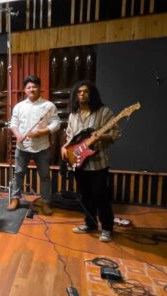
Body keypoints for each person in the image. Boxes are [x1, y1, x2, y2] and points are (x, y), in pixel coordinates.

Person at [60, 80, 120, 242]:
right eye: (79, 92)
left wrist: (100, 136)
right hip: (79, 162)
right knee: (85, 196)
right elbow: (70, 135)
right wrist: (65, 147)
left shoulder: (104, 112)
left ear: (92, 94)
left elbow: (115, 133)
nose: (82, 94)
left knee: (101, 196)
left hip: (98, 163)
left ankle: (107, 228)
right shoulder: (73, 114)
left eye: (86, 91)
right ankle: (90, 224)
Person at [7, 75, 60, 214]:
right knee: (18, 173)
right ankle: (15, 198)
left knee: (44, 176)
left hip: (42, 146)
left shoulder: (48, 106)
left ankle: (45, 202)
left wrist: (41, 132)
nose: (32, 89)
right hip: (22, 147)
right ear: (25, 90)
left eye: (34, 86)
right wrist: (17, 135)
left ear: (39, 88)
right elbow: (13, 123)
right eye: (28, 87)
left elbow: (56, 123)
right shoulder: (19, 106)